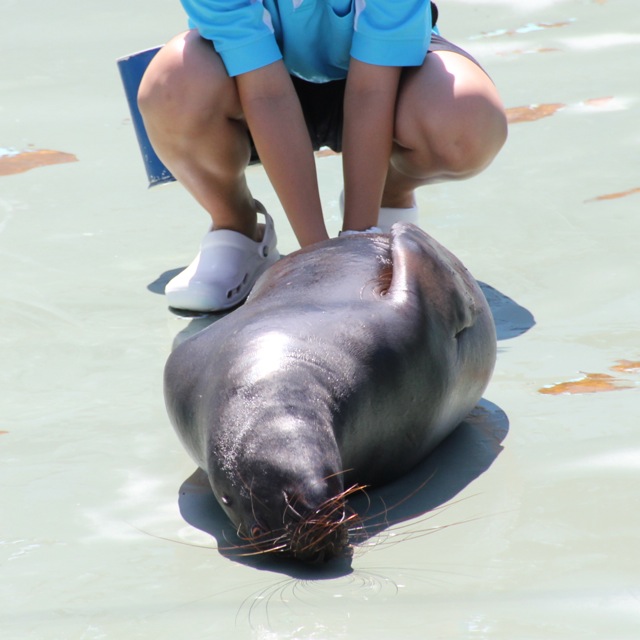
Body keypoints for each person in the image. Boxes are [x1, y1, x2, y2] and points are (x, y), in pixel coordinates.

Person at [138, 1, 507, 313]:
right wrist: (318, 264)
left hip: (385, 80)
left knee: (468, 121)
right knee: (172, 85)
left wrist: (356, 244)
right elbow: (267, 95)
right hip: (254, 84)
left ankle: (383, 208)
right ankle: (239, 228)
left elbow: (371, 90)